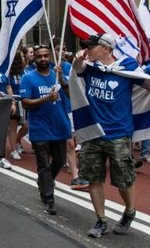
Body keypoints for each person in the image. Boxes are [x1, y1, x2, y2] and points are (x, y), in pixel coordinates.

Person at [72, 33, 150, 238]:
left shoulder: (127, 68)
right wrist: (77, 59)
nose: (87, 49)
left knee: (124, 180)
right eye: (86, 46)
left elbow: (146, 84)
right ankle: (101, 220)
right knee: (93, 178)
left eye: (92, 46)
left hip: (119, 134)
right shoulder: (89, 67)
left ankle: (130, 210)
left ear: (106, 49)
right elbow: (76, 69)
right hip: (93, 133)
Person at [19, 45, 71, 215]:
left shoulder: (57, 76)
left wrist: (63, 80)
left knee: (59, 160)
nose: (42, 59)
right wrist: (46, 98)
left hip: (59, 125)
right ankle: (48, 198)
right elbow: (25, 102)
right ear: (35, 59)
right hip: (40, 127)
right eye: (39, 56)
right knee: (43, 164)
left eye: (45, 56)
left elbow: (71, 95)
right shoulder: (28, 78)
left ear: (50, 57)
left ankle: (44, 182)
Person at [54, 40, 89, 190]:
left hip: (71, 109)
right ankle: (71, 175)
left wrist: (62, 79)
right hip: (55, 111)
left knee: (72, 143)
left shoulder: (68, 67)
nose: (61, 52)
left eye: (64, 49)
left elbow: (70, 91)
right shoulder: (44, 68)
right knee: (65, 145)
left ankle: (75, 173)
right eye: (58, 49)